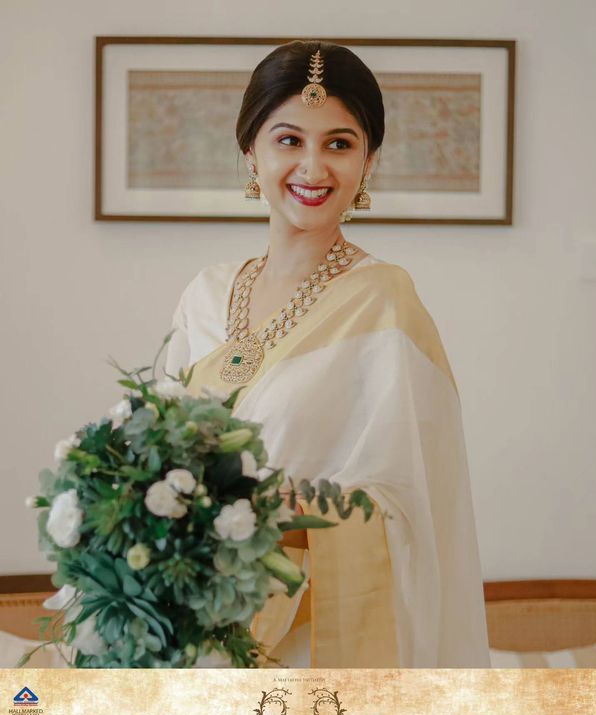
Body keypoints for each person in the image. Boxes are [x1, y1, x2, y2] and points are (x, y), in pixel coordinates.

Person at [165, 40, 491, 668]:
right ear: (249, 153)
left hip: (316, 647)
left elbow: (416, 506)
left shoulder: (385, 301)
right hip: (193, 628)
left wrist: (283, 517)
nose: (313, 168)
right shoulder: (204, 295)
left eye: (338, 144)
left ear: (368, 161)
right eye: (288, 140)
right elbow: (154, 452)